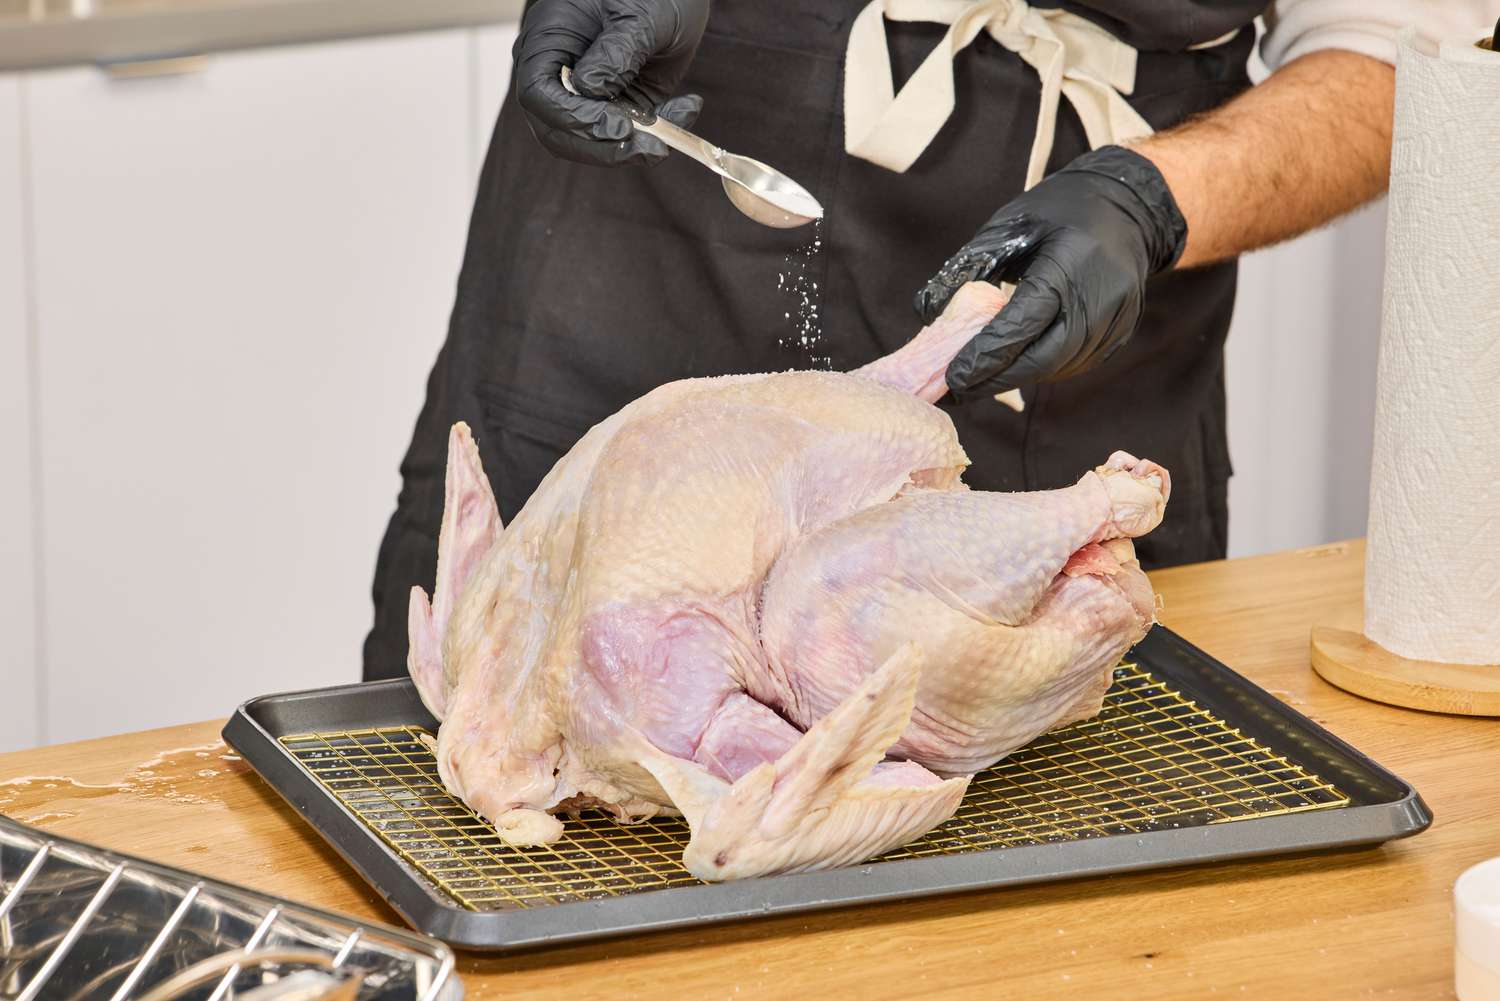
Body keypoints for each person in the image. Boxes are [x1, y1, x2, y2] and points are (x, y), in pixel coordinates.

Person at [362, 0, 1496, 681]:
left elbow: (1396, 54)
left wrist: (1153, 201)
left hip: (1072, 311)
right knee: (511, 746)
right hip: (644, 232)